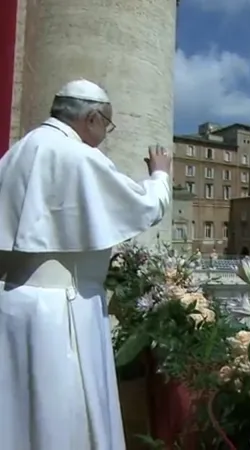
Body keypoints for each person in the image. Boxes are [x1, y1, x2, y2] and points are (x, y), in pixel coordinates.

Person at [0, 79, 171, 450]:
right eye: (106, 126)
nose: (104, 136)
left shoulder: (17, 152)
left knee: (15, 415)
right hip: (61, 311)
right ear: (91, 116)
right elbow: (142, 206)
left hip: (12, 303)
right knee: (62, 417)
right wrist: (160, 175)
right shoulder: (77, 155)